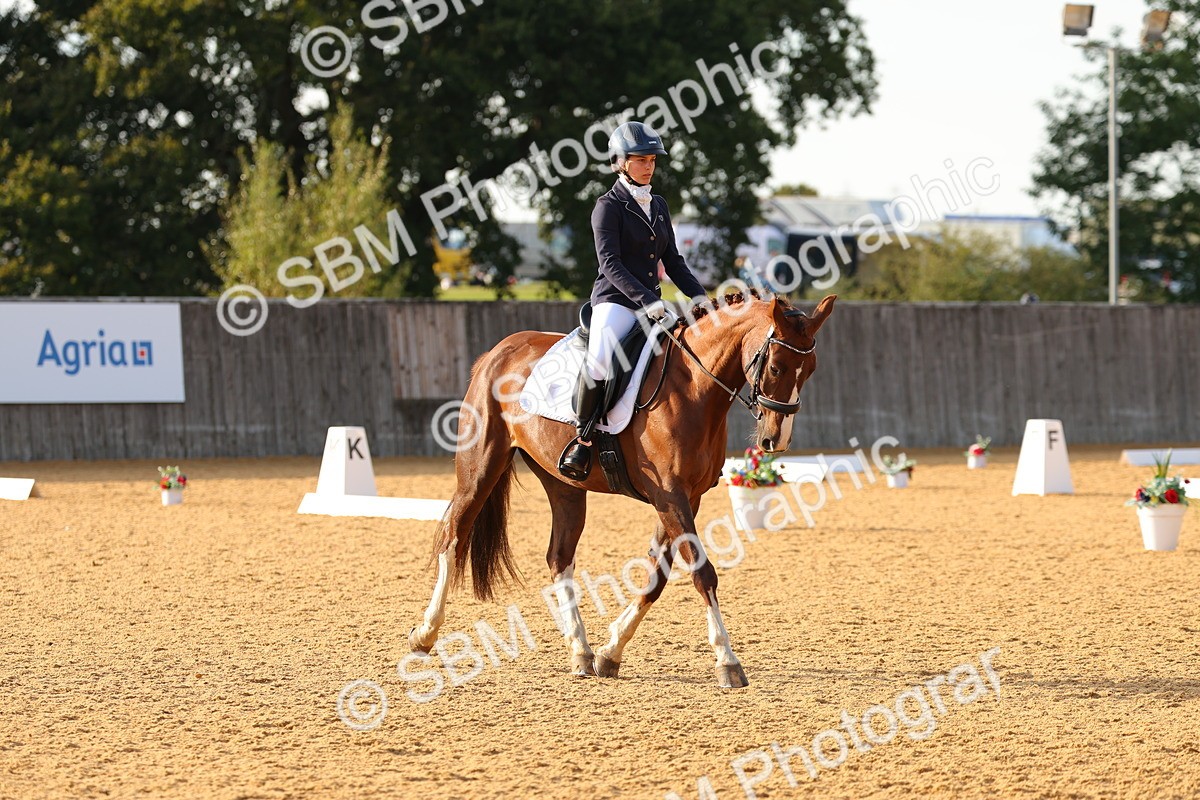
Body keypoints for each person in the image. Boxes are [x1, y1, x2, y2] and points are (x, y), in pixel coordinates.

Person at [558, 121, 710, 480]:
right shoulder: (606, 207)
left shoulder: (658, 204)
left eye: (652, 160)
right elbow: (609, 263)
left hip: (652, 303)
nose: (648, 166)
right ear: (620, 162)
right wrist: (645, 300)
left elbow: (672, 259)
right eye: (640, 160)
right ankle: (584, 438)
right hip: (615, 301)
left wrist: (698, 294)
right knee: (599, 361)